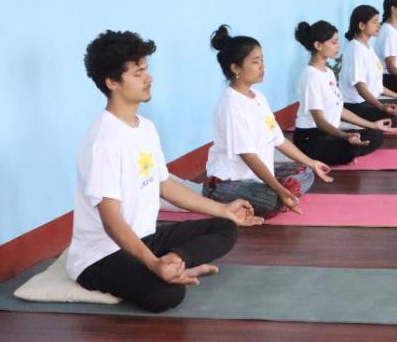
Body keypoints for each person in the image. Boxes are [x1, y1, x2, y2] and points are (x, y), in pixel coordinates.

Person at [66, 30, 261, 313]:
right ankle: (172, 268)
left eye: (146, 69)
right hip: (102, 254)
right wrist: (153, 264)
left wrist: (224, 210)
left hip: (145, 237)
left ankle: (176, 263)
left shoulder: (145, 127)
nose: (149, 78)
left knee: (225, 227)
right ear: (112, 82)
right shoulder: (103, 141)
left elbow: (165, 185)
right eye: (138, 73)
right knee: (167, 295)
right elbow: (111, 221)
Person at [202, 26, 333, 218]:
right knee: (272, 199)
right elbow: (249, 156)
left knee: (306, 172)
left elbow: (279, 140)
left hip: (255, 178)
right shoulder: (231, 104)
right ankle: (227, 200)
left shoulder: (258, 97)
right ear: (235, 68)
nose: (262, 66)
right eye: (255, 62)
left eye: (262, 60)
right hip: (227, 183)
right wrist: (279, 189)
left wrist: (312, 163)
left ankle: (277, 197)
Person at [292, 20, 394, 166]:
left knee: (375, 135)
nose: (338, 45)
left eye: (337, 41)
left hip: (329, 133)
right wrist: (345, 136)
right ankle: (340, 152)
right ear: (318, 45)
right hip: (310, 137)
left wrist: (372, 125)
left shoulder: (328, 72)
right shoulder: (311, 77)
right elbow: (320, 121)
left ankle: (343, 150)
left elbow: (340, 109)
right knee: (350, 148)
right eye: (334, 42)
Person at [339, 5, 397, 121]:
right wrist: (381, 106)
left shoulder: (368, 48)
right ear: (361, 25)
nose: (379, 25)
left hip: (368, 101)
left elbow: (377, 86)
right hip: (354, 105)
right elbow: (361, 88)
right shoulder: (355, 50)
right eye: (374, 22)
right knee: (393, 118)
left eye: (378, 22)